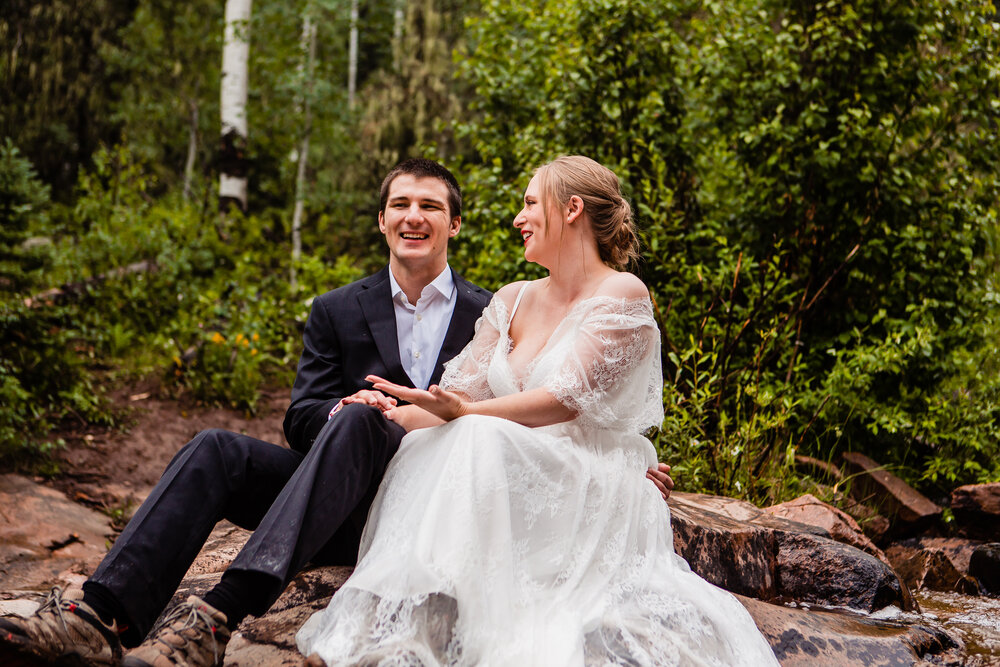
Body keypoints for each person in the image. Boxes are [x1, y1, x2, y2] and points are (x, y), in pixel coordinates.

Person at [0, 157, 673, 667]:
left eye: (430, 205)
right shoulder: (337, 308)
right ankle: (100, 615)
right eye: (400, 204)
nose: (414, 216)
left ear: (452, 224)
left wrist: (615, 464)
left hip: (448, 501)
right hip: (341, 488)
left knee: (362, 419)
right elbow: (305, 416)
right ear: (381, 219)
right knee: (218, 447)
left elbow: (567, 402)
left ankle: (217, 614)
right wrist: (369, 407)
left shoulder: (487, 302)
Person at [296, 156, 777, 666]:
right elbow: (450, 403)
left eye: (529, 203)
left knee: (477, 435)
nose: (517, 218)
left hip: (587, 473)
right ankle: (404, 627)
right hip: (506, 459)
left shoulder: (622, 293)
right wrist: (374, 412)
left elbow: (564, 401)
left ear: (571, 209)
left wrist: (464, 412)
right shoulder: (511, 299)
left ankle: (420, 638)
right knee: (433, 439)